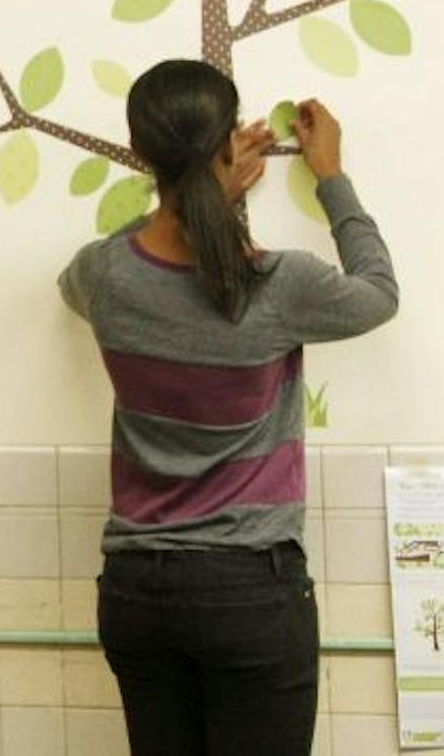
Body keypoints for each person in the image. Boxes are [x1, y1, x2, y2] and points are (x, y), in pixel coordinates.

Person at [59, 59, 398, 755]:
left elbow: (90, 277)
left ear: (141, 155)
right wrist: (330, 174)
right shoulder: (278, 284)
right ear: (224, 149)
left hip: (137, 593)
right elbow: (379, 290)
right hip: (249, 590)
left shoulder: (104, 274)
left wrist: (193, 189)